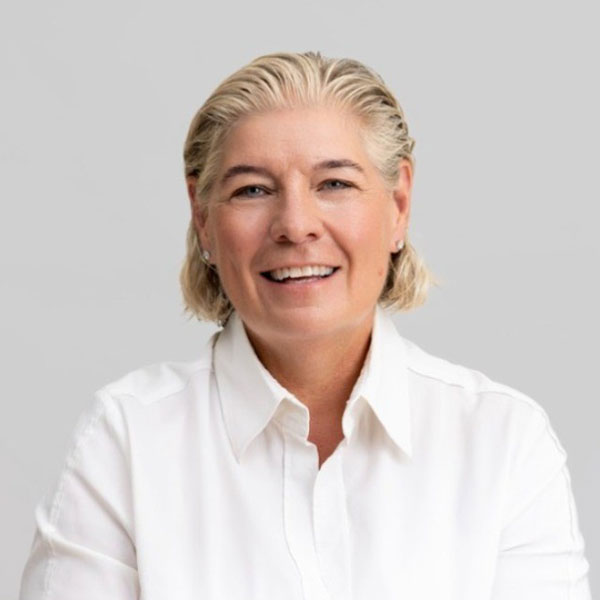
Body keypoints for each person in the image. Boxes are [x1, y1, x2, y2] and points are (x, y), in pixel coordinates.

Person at [20, 51, 591, 599]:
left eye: (334, 184)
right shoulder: (126, 442)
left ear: (398, 204)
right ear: (202, 218)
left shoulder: (504, 442)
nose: (295, 225)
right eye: (252, 190)